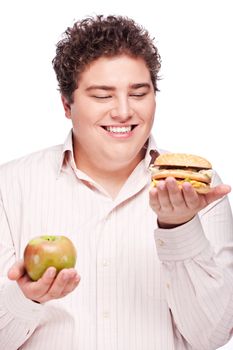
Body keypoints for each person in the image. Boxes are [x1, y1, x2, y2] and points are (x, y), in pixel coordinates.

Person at [0, 15, 233, 350]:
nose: (124, 111)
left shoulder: (198, 194)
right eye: (102, 95)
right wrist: (26, 299)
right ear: (67, 104)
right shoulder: (9, 188)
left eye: (138, 93)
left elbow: (212, 335)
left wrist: (179, 227)